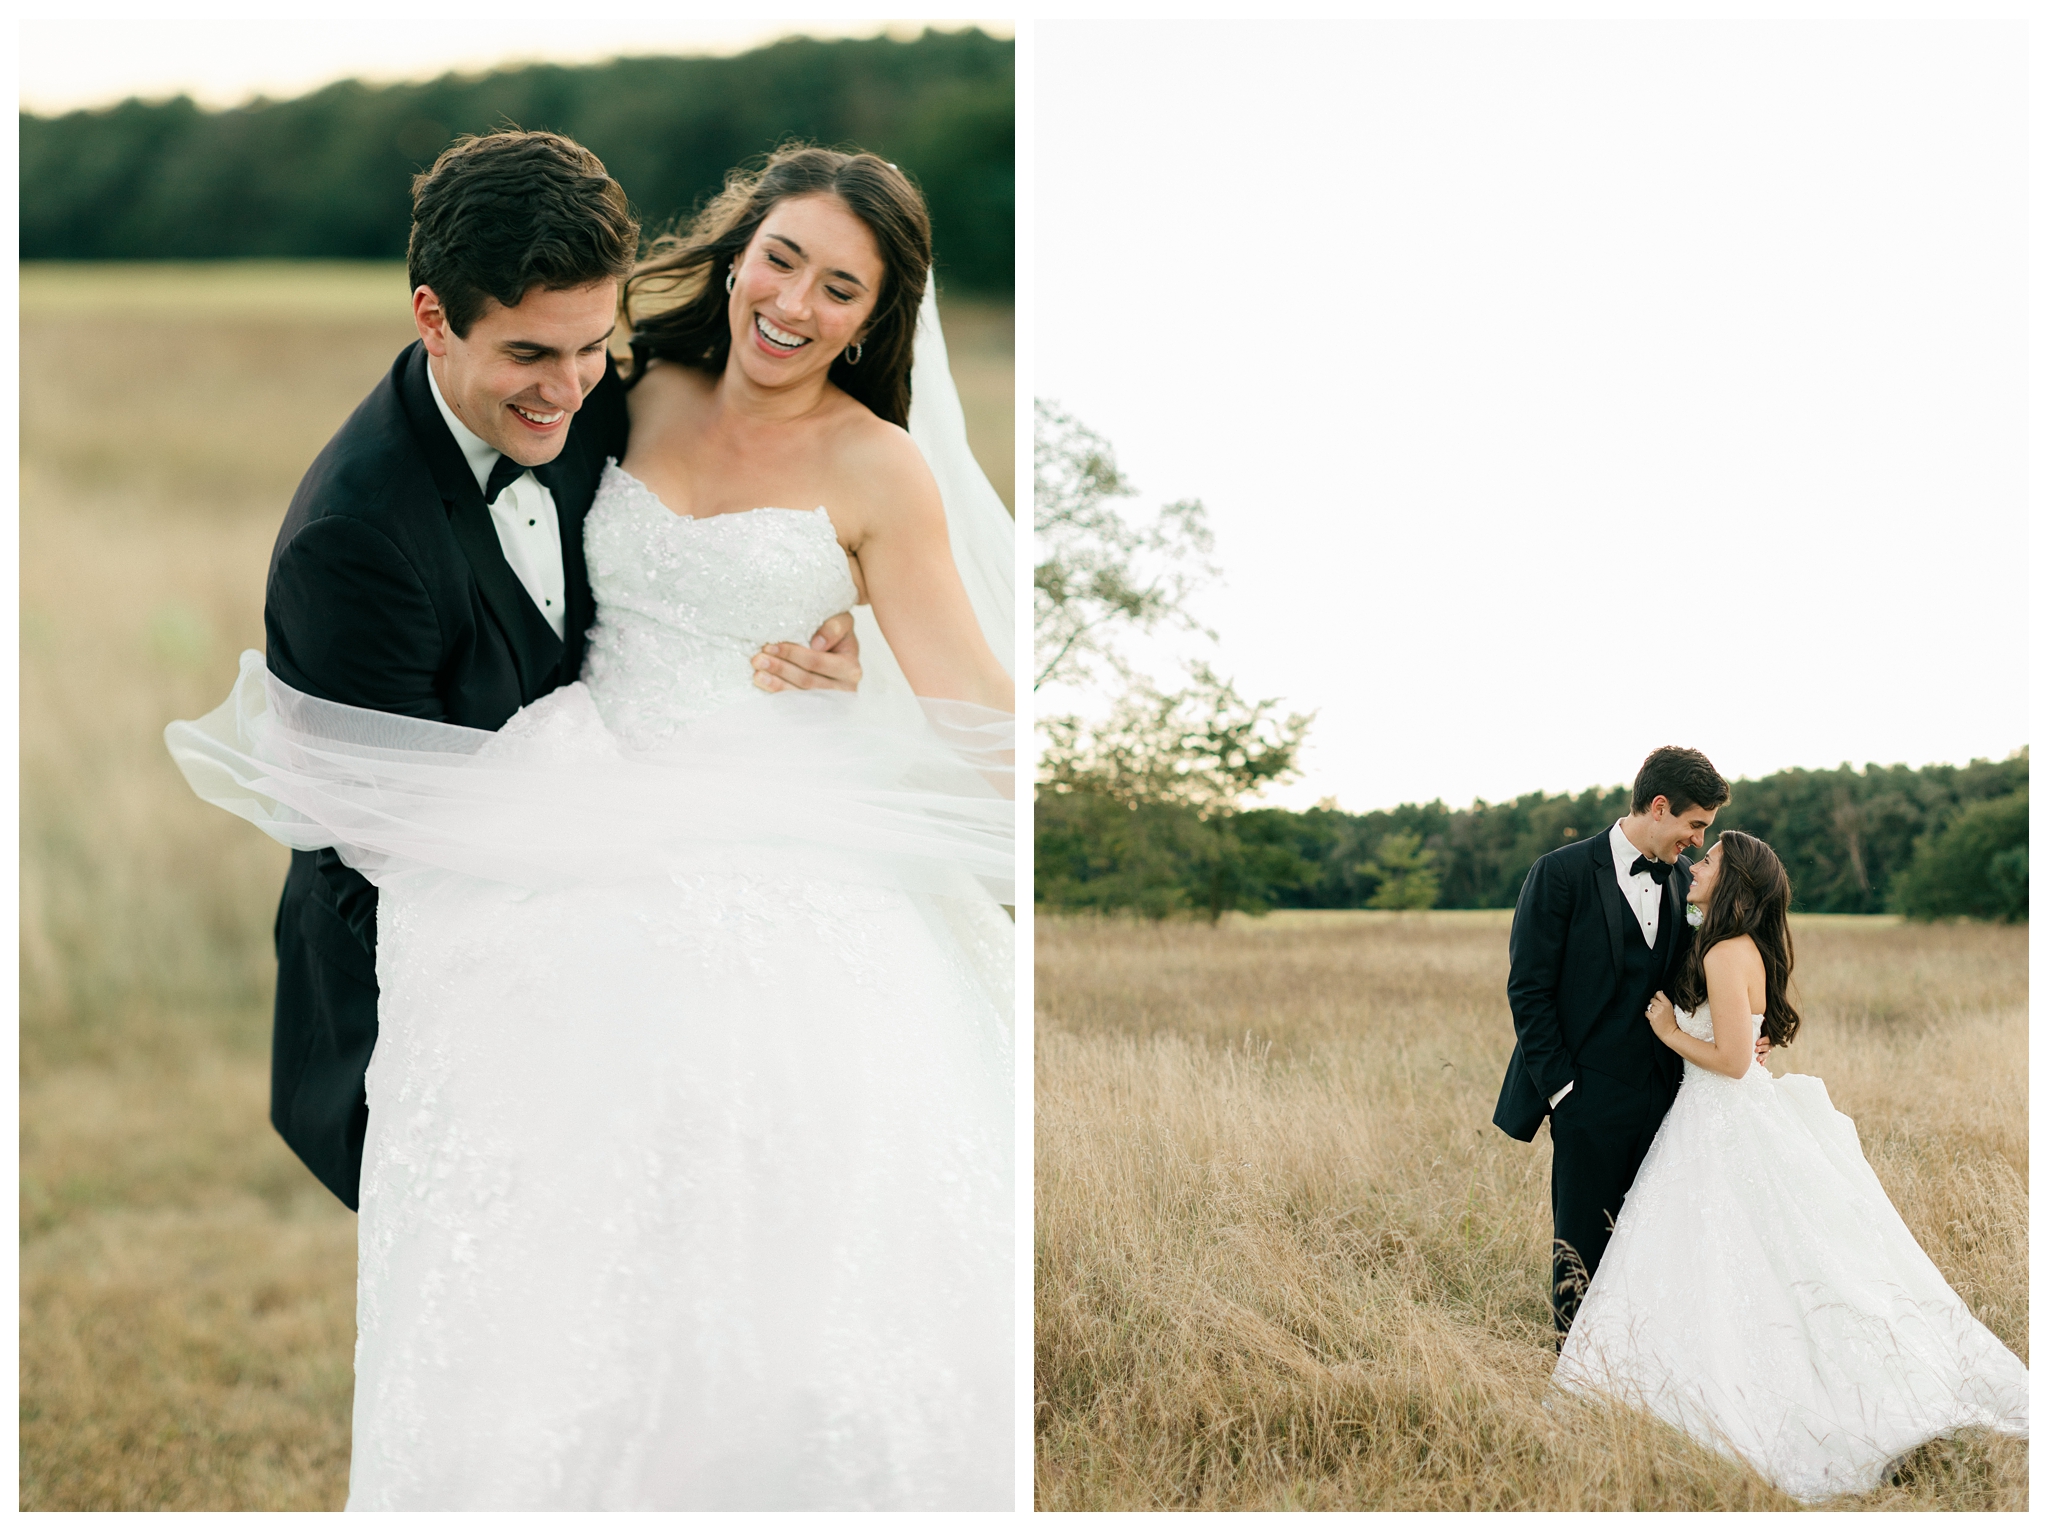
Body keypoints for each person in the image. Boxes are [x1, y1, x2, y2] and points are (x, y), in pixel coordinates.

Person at [167, 139, 1015, 1509]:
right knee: (566, 1222)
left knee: (796, 1194)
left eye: (840, 285)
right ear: (739, 253)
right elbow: (384, 796)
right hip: (545, 840)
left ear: (877, 315)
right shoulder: (617, 400)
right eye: (782, 256)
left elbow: (971, 695)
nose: (795, 301)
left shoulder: (865, 465)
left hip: (783, 845)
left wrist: (863, 682)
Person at [252, 130, 861, 1212]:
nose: (571, 387)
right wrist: (610, 952)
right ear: (433, 317)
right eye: (532, 355)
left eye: (592, 345)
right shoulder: (351, 543)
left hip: (615, 922)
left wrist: (812, 622)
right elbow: (390, 851)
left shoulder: (600, 401)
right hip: (427, 985)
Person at [1553, 831, 2028, 1500]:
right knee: (1755, 1253)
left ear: (1733, 882)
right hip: (1729, 1117)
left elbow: (1733, 1060)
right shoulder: (1740, 946)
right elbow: (1746, 1039)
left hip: (1718, 1117)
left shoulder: (1723, 952)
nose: (1698, 863)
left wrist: (1668, 1031)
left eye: (1711, 858)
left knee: (1725, 1252)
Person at [1493, 746, 1748, 1335]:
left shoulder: (1689, 881)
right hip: (1585, 1098)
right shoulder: (1559, 874)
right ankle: (1574, 1379)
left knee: (1653, 1248)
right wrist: (1563, 1093)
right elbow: (1528, 990)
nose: (1696, 839)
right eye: (1695, 825)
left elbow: (1708, 977)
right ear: (1659, 807)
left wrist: (1745, 1036)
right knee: (1581, 1251)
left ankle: (1641, 1372)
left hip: (1668, 1099)